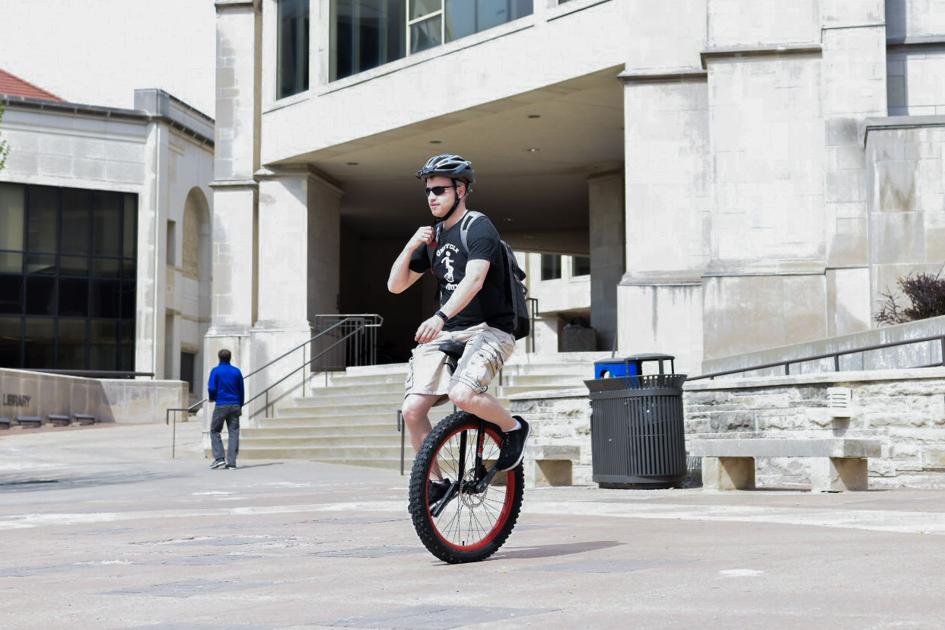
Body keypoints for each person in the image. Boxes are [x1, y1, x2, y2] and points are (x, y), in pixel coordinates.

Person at [387, 153, 529, 502]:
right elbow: (396, 285)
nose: (431, 197)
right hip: (451, 331)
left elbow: (475, 279)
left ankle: (513, 428)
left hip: (491, 328)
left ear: (461, 190)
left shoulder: (478, 226)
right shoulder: (433, 236)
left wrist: (440, 316)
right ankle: (435, 482)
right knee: (412, 410)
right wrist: (411, 246)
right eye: (428, 191)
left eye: (439, 190)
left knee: (462, 395)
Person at [207, 348, 244, 470]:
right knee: (234, 433)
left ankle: (219, 459)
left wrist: (212, 397)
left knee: (215, 431)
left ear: (219, 357)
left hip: (221, 404)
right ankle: (232, 463)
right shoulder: (236, 371)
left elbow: (212, 387)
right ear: (230, 357)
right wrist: (240, 405)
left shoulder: (216, 371)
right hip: (235, 405)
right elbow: (241, 390)